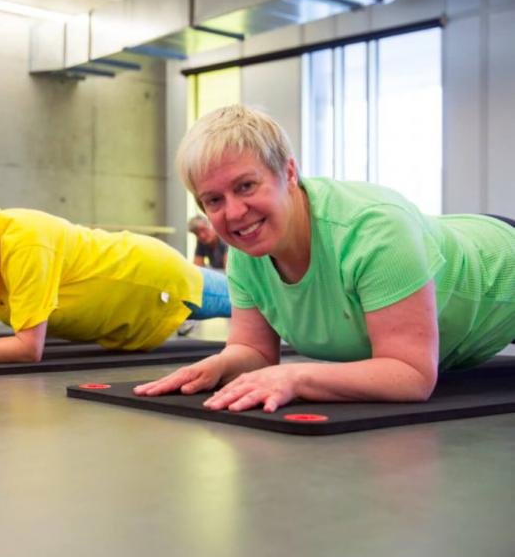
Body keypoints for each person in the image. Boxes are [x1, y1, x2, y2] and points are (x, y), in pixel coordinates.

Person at [134, 104, 515, 412]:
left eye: (246, 186)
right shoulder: (247, 254)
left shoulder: (374, 230)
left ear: (289, 172)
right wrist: (214, 367)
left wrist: (298, 378)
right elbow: (254, 352)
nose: (233, 213)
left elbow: (410, 375)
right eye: (214, 200)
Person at [0, 171, 231, 365]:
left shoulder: (21, 238)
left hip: (155, 280)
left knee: (258, 296)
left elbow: (27, 349)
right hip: (132, 316)